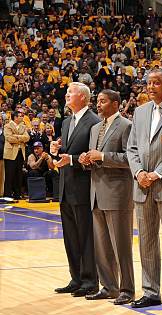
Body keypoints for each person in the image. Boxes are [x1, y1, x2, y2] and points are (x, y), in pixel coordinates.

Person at [126, 69, 162, 311]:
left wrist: (158, 173)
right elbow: (131, 148)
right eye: (148, 83)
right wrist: (139, 172)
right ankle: (150, 291)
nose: (151, 87)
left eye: (156, 83)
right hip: (142, 186)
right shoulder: (140, 112)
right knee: (146, 241)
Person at [79, 90, 135, 305]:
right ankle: (109, 287)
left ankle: (127, 289)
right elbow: (95, 157)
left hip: (118, 193)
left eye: (102, 101)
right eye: (98, 101)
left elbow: (130, 158)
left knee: (121, 245)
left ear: (115, 104)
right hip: (96, 192)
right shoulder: (95, 128)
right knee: (102, 246)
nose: (98, 105)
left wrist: (102, 156)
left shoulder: (126, 126)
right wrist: (87, 160)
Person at [51, 82, 101, 297]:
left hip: (83, 187)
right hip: (65, 187)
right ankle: (76, 277)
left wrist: (69, 159)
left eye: (70, 93)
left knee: (86, 236)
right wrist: (56, 150)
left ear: (82, 97)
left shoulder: (94, 122)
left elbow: (93, 157)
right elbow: (65, 152)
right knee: (70, 236)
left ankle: (90, 281)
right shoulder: (66, 122)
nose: (67, 96)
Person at [3, 110, 29, 200]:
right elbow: (9, 138)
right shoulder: (7, 126)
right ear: (15, 117)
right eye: (20, 116)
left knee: (19, 174)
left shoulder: (23, 126)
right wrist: (21, 138)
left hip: (20, 153)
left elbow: (27, 137)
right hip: (10, 153)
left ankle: (17, 194)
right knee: (9, 174)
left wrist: (17, 136)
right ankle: (7, 195)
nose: (22, 117)